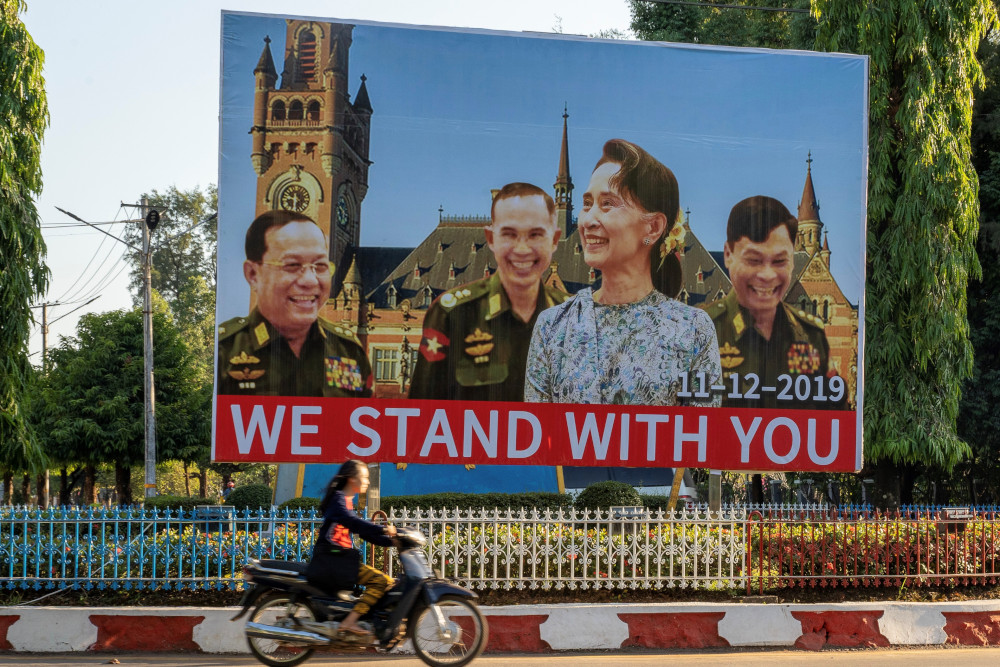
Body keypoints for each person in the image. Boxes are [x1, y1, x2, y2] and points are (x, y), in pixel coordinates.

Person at [525, 139, 721, 405]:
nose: (588, 220)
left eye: (607, 204)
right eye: (587, 203)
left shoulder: (693, 331)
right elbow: (537, 438)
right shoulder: (552, 327)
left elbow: (700, 440)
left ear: (653, 227)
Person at [408, 182, 570, 401]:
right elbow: (421, 416)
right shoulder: (452, 315)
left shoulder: (576, 318)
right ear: (491, 239)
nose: (522, 249)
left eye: (535, 235)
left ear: (554, 241)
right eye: (509, 234)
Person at [217, 210, 372, 397]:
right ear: (253, 274)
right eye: (292, 265)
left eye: (320, 266)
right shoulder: (223, 350)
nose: (310, 280)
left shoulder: (349, 350)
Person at [702, 195, 833, 409]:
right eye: (753, 259)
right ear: (728, 256)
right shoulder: (703, 326)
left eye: (779, 260)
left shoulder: (811, 334)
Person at [306, 460, 397, 639]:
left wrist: (393, 541)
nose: (368, 482)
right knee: (381, 581)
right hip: (333, 561)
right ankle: (350, 621)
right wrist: (383, 529)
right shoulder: (338, 500)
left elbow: (361, 531)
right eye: (364, 477)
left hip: (340, 560)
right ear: (351, 479)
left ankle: (359, 618)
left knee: (386, 581)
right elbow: (353, 522)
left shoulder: (345, 501)